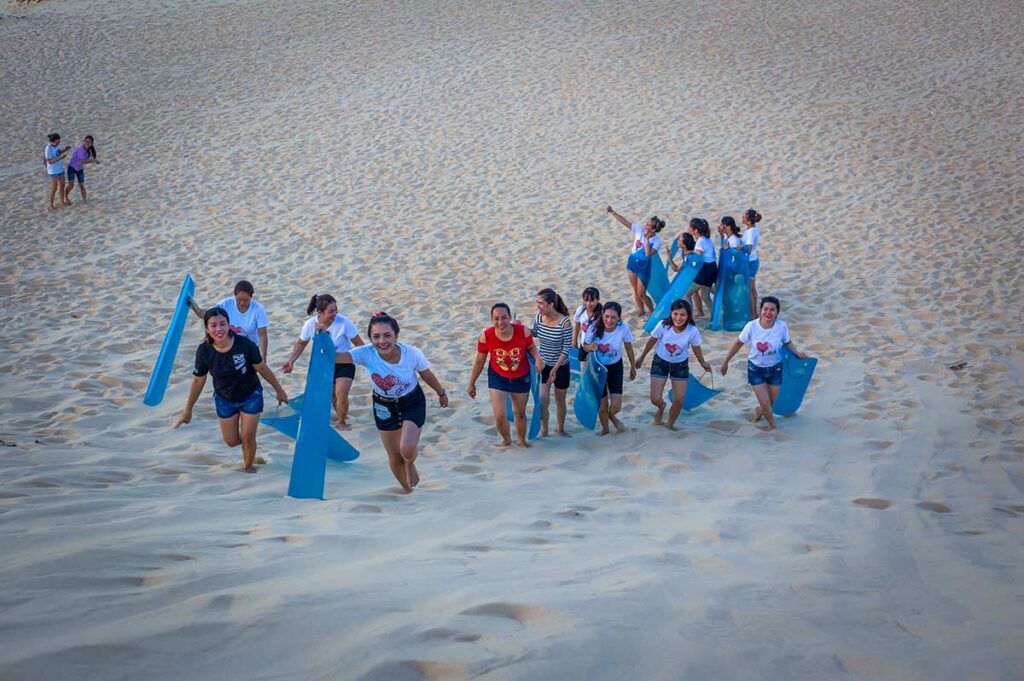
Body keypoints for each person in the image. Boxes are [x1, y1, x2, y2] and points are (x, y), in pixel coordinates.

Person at [335, 312, 449, 493]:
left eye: (387, 335)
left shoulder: (411, 353)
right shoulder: (365, 353)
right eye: (376, 336)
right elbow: (338, 358)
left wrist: (441, 393)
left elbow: (427, 375)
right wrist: (321, 341)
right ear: (370, 338)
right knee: (394, 455)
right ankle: (407, 490)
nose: (382, 341)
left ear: (396, 335)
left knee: (407, 450)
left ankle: (410, 463)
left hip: (412, 401)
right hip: (383, 405)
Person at [173, 307, 288, 473]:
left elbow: (262, 368)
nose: (218, 329)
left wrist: (279, 390)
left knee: (248, 437)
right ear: (207, 328)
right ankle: (250, 449)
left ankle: (248, 468)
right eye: (213, 325)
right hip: (224, 399)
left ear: (229, 325)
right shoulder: (204, 351)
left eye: (223, 324)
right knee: (232, 441)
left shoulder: (245, 344)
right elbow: (198, 380)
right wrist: (187, 410)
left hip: (251, 395)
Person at [720, 296, 807, 431]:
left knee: (771, 402)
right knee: (765, 402)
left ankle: (759, 412)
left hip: (775, 368)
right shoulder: (752, 326)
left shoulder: (781, 326)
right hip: (756, 369)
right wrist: (726, 361)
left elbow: (787, 342)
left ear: (777, 312)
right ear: (760, 310)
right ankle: (772, 426)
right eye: (765, 309)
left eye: (772, 310)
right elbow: (738, 343)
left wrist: (797, 353)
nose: (768, 313)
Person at [281, 294, 364, 430]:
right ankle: (340, 414)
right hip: (325, 365)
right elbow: (301, 343)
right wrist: (291, 361)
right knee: (332, 394)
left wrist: (367, 361)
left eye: (336, 310)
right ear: (320, 312)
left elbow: (359, 344)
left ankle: (342, 422)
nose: (335, 314)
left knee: (341, 393)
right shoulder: (310, 325)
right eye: (331, 311)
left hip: (345, 363)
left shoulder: (345, 323)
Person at [467, 303, 544, 448]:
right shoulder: (486, 336)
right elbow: (479, 361)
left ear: (509, 318)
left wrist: (538, 358)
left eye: (504, 318)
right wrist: (472, 382)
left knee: (519, 413)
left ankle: (521, 440)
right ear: (491, 319)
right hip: (498, 377)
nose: (500, 322)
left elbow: (531, 347)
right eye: (496, 319)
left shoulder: (523, 332)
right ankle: (506, 440)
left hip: (521, 376)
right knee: (500, 415)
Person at [635, 299, 711, 430]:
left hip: (680, 366)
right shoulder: (663, 325)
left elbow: (696, 348)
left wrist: (702, 362)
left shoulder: (692, 330)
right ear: (671, 313)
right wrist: (641, 357)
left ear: (688, 316)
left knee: (679, 400)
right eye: (675, 314)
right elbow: (652, 340)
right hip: (660, 362)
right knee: (655, 399)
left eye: (682, 315)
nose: (678, 318)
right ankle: (661, 407)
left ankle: (670, 424)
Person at [582, 301, 637, 435]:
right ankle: (605, 429)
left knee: (616, 406)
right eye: (607, 316)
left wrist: (633, 367)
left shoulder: (623, 328)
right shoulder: (594, 327)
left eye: (613, 317)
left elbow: (629, 347)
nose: (609, 320)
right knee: (602, 406)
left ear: (619, 318)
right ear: (602, 314)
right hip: (598, 369)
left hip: (615, 368)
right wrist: (590, 347)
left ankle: (612, 416)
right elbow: (584, 346)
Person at [188, 280, 270, 360]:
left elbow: (262, 335)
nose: (242, 303)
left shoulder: (258, 310)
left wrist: (263, 358)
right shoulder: (226, 304)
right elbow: (209, 315)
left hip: (249, 348)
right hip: (228, 346)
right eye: (239, 299)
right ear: (234, 296)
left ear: (251, 297)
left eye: (246, 300)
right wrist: (195, 309)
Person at [606, 206, 665, 316]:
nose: (645, 226)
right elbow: (625, 222)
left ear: (653, 229)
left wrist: (647, 239)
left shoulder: (657, 241)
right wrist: (613, 212)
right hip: (633, 263)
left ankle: (652, 312)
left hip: (644, 267)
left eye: (648, 225)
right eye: (646, 223)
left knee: (641, 293)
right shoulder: (639, 230)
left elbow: (648, 254)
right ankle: (641, 310)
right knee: (635, 290)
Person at [532, 288, 573, 437]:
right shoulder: (538, 317)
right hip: (543, 365)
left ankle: (561, 429)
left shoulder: (565, 323)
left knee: (560, 399)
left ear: (551, 305)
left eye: (541, 304)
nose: (538, 307)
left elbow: (567, 349)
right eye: (537, 303)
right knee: (543, 401)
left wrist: (555, 369)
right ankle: (544, 430)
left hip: (561, 366)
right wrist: (518, 327)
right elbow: (534, 333)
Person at [667, 232, 704, 318]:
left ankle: (690, 317)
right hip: (697, 277)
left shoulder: (693, 255)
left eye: (679, 240)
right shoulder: (684, 253)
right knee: (695, 293)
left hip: (701, 277)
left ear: (684, 244)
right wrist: (669, 257)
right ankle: (700, 313)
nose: (677, 241)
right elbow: (675, 268)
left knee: (687, 294)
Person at [687, 218, 717, 318]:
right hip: (712, 270)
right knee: (705, 297)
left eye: (690, 227)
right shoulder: (707, 239)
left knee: (686, 294)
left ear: (695, 230)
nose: (688, 228)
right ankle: (715, 317)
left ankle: (688, 318)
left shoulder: (700, 241)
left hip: (704, 271)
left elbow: (698, 258)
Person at [63, 135, 99, 205]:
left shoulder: (88, 150)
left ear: (91, 144)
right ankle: (66, 196)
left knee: (82, 185)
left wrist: (93, 160)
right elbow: (82, 161)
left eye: (89, 142)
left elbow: (84, 160)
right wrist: (93, 160)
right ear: (83, 141)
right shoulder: (81, 149)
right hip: (72, 168)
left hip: (79, 169)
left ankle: (85, 201)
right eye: (86, 141)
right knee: (71, 185)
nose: (87, 143)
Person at [571, 287, 601, 366]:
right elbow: (577, 325)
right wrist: (574, 341)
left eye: (591, 300)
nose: (588, 303)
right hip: (583, 345)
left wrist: (593, 346)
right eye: (586, 300)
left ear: (598, 300)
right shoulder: (580, 310)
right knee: (583, 372)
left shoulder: (602, 314)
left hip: (597, 348)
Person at [742, 209, 763, 319]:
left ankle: (752, 314)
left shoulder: (750, 232)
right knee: (753, 288)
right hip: (754, 260)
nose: (742, 218)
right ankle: (754, 313)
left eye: (744, 217)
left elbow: (748, 248)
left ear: (749, 220)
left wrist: (740, 247)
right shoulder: (754, 228)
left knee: (749, 289)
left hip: (750, 262)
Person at [44, 133, 70, 210]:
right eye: (57, 141)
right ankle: (51, 205)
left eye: (59, 141)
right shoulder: (48, 148)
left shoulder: (57, 145)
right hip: (53, 171)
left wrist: (65, 149)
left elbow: (58, 152)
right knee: (54, 188)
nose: (59, 143)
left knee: (62, 185)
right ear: (53, 141)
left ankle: (62, 201)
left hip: (60, 169)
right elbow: (50, 161)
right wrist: (60, 158)